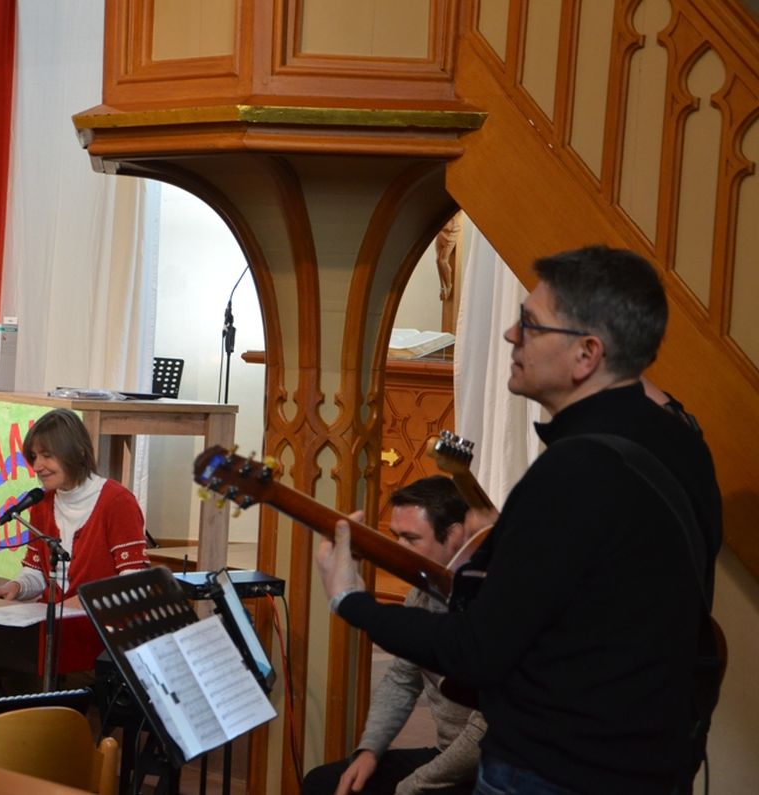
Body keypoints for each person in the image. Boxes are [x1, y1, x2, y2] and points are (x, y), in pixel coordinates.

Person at [315, 246, 722, 795]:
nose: (511, 335)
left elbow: (476, 651)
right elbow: (608, 603)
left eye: (530, 324)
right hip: (652, 763)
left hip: (556, 770)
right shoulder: (684, 445)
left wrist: (351, 599)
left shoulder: (572, 470)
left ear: (586, 354)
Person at [302, 476, 485, 795]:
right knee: (323, 783)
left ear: (455, 536)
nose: (398, 549)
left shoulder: (489, 604)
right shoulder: (421, 595)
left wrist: (413, 786)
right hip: (448, 755)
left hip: (493, 769)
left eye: (411, 538)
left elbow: (485, 730)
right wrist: (370, 749)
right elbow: (402, 679)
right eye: (396, 536)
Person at [0, 408, 148, 606]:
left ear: (78, 452)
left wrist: (79, 604)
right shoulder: (41, 503)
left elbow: (134, 583)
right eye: (34, 456)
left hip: (100, 622)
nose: (37, 466)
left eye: (47, 455)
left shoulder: (117, 501)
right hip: (52, 620)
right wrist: (16, 587)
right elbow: (37, 572)